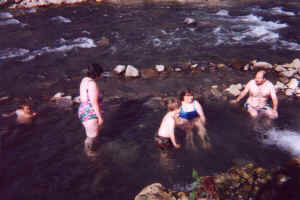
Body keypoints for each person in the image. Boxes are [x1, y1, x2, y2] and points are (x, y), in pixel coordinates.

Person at [78, 63, 104, 156]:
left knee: (91, 134)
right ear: (96, 74)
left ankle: (91, 148)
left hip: (83, 110)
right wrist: (99, 117)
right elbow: (94, 102)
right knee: (91, 137)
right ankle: (89, 153)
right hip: (90, 113)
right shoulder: (92, 84)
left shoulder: (84, 80)